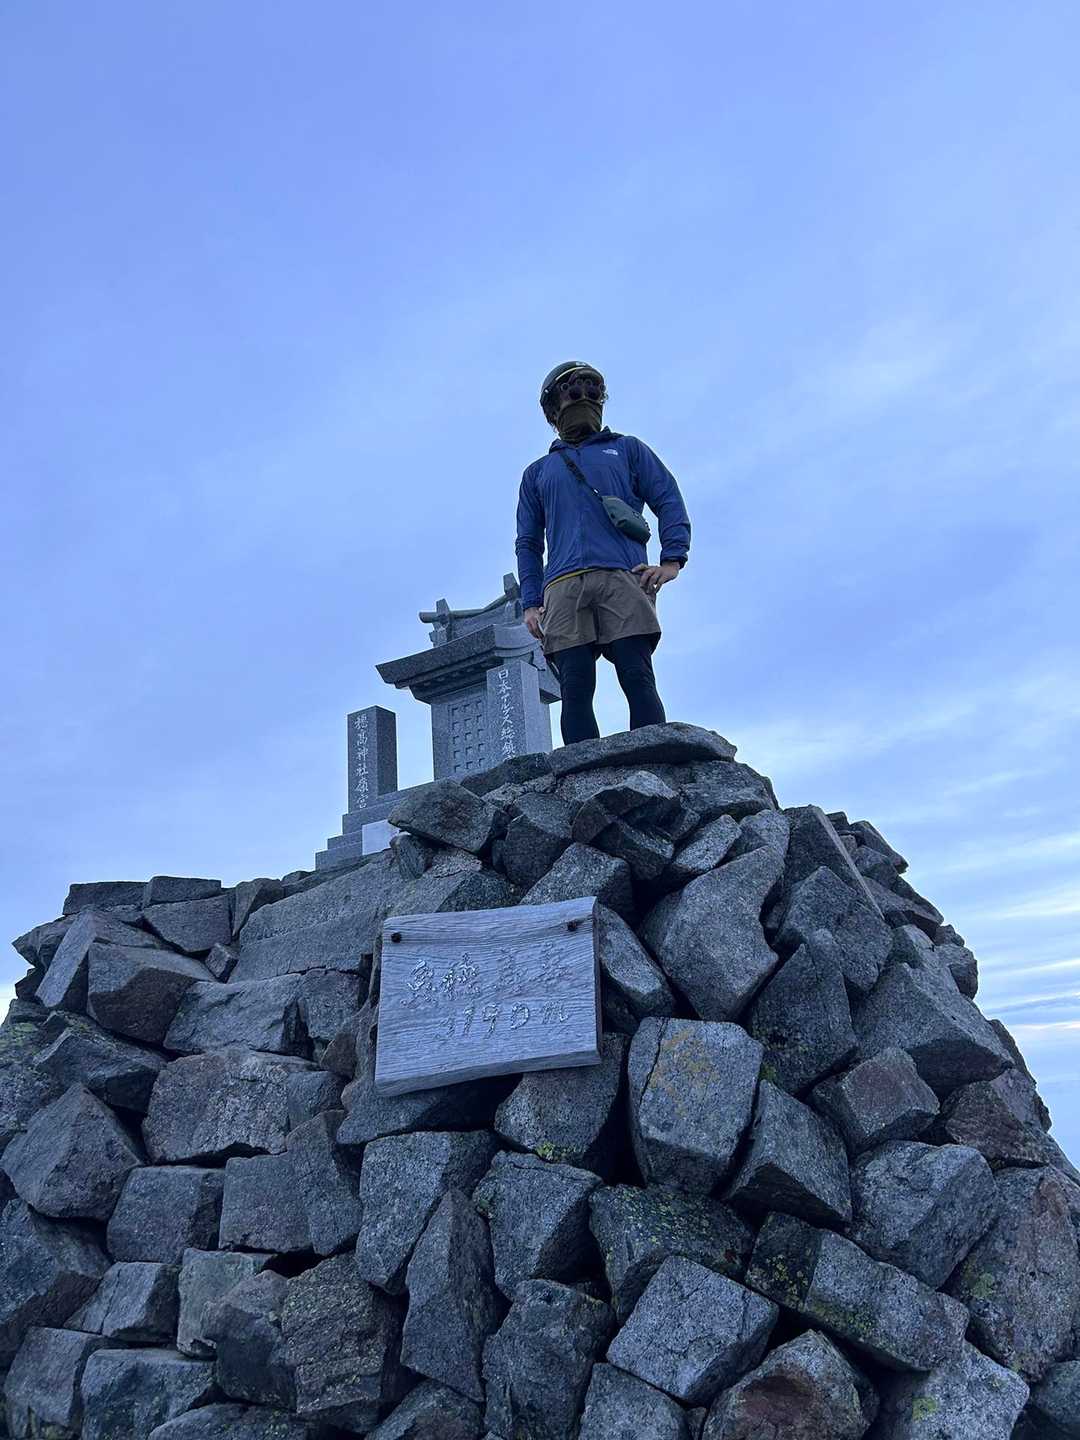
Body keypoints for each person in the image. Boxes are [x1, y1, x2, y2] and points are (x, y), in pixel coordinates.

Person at [515, 361, 692, 744]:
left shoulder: (627, 450)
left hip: (623, 575)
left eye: (592, 393)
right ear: (552, 409)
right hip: (562, 586)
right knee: (575, 685)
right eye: (572, 394)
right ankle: (582, 772)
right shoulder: (538, 472)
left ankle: (655, 762)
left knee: (636, 674)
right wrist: (531, 602)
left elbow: (667, 497)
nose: (584, 400)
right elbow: (528, 542)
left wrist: (672, 560)